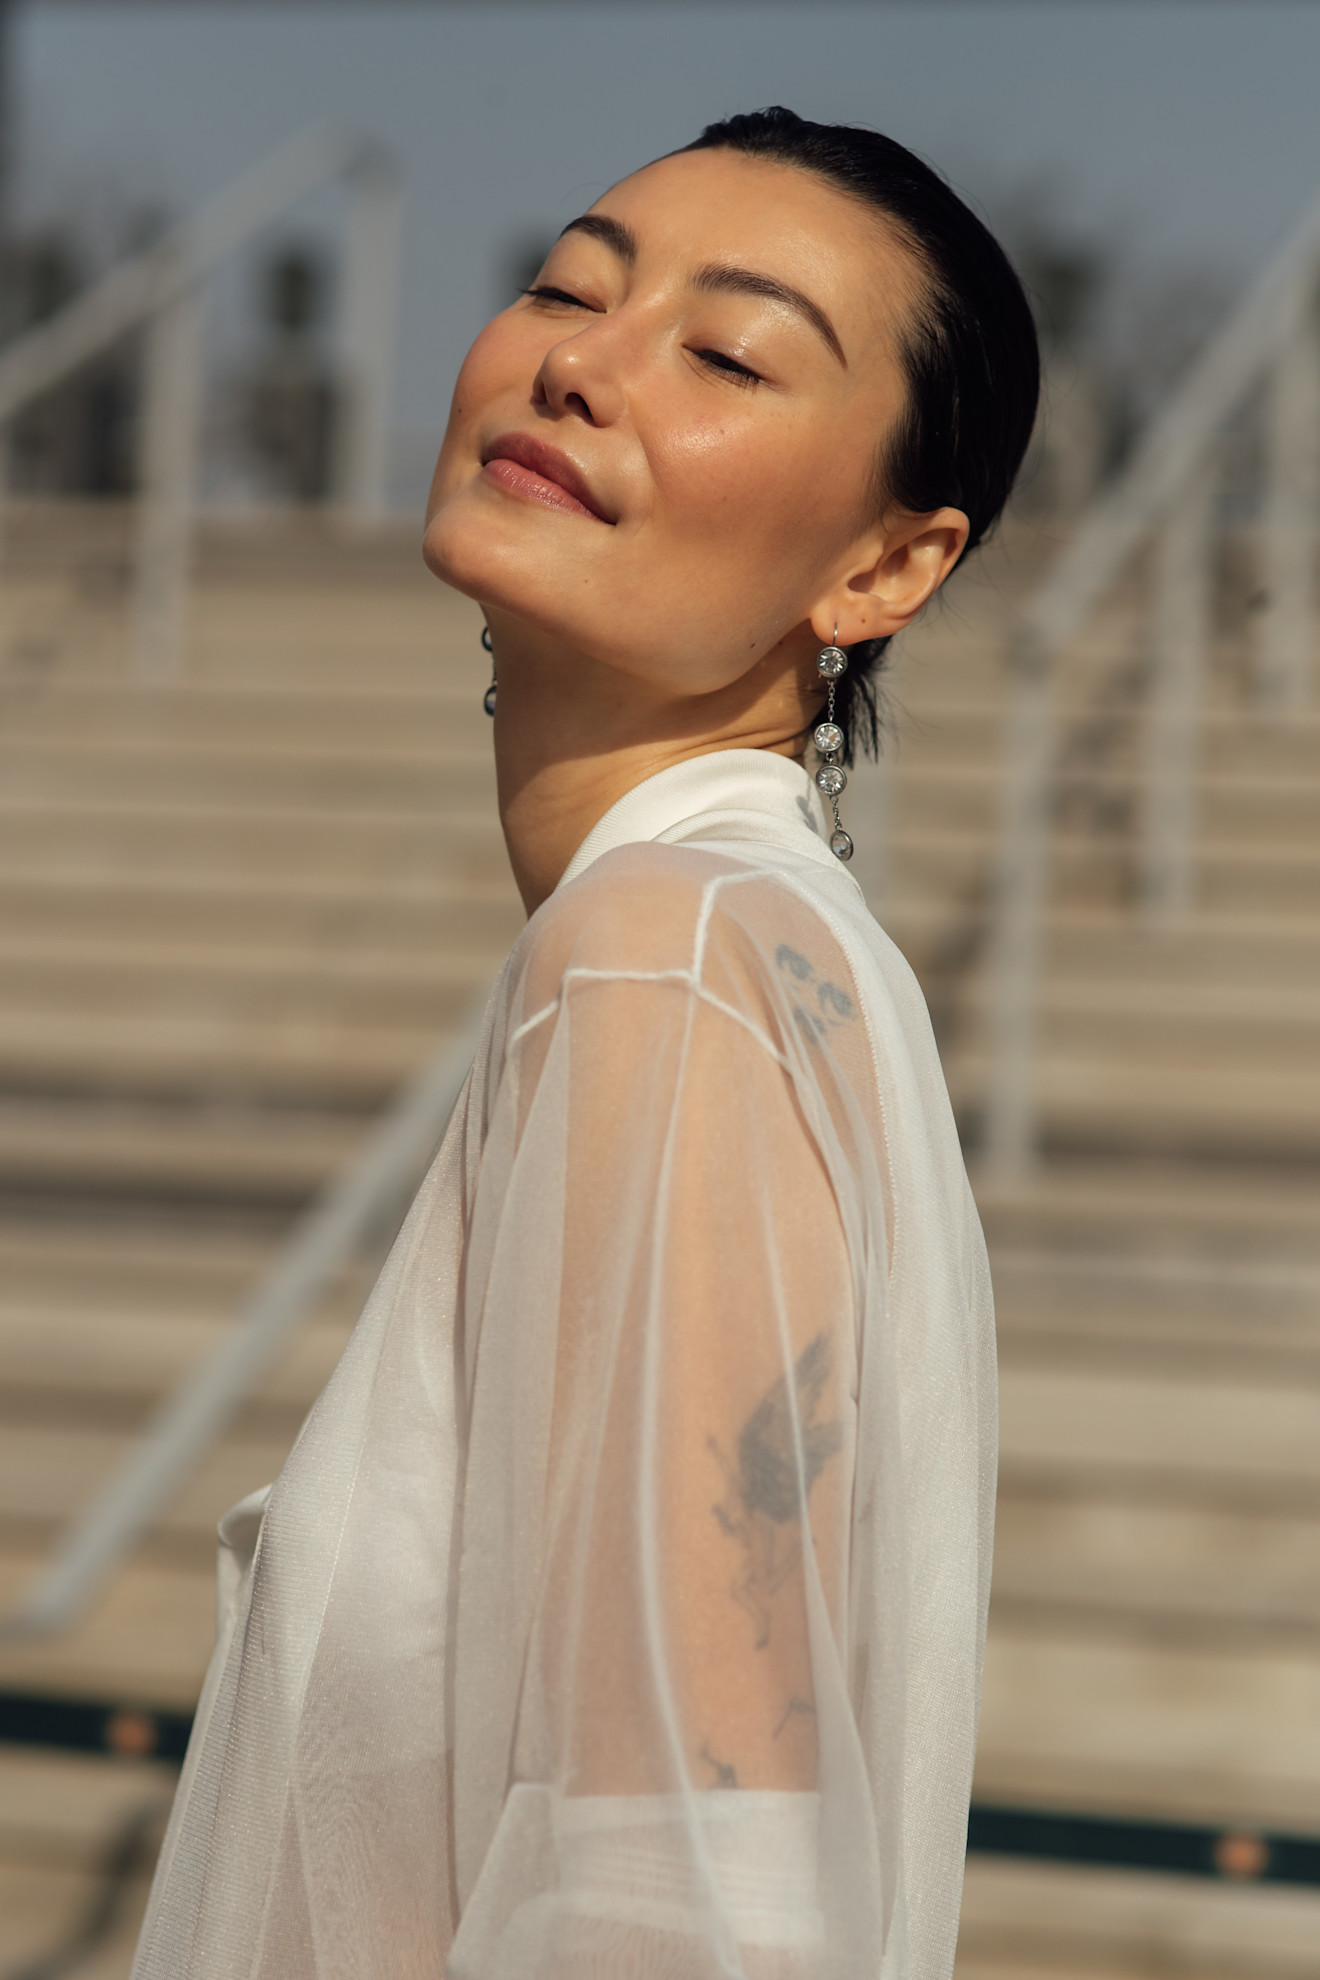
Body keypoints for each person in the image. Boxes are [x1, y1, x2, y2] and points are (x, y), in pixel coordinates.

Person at [131, 107, 1039, 1980]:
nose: (580, 362)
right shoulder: (761, 949)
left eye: (727, 353)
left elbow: (682, 1881)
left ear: (885, 571)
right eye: (564, 285)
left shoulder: (671, 959)